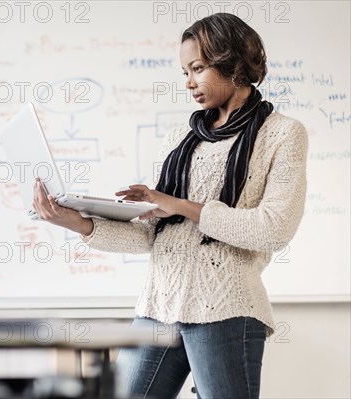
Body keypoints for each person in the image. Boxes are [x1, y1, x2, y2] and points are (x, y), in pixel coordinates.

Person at [32, 12, 308, 399]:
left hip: (226, 308)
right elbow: (150, 235)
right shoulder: (181, 138)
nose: (189, 82)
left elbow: (273, 228)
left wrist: (180, 205)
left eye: (198, 68)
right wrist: (77, 222)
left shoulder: (282, 133)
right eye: (185, 72)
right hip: (158, 304)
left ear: (233, 63)